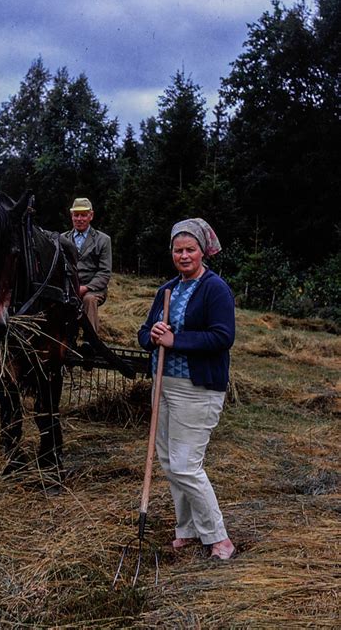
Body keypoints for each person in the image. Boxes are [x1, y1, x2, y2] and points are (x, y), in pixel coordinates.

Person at [138, 218, 236, 560]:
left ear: (202, 251)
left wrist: (175, 339)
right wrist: (152, 336)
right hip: (163, 383)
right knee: (167, 460)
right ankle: (188, 529)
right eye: (178, 250)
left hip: (197, 390)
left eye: (190, 249)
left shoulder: (215, 289)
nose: (183, 255)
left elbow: (223, 337)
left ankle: (219, 538)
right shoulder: (167, 289)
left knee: (185, 464)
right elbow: (144, 334)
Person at [61, 197, 112, 334]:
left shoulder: (103, 240)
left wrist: (85, 288)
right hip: (68, 288)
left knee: (89, 300)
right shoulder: (62, 239)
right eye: (76, 215)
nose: (79, 219)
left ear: (91, 216)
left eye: (83, 215)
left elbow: (104, 272)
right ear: (71, 216)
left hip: (93, 289)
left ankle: (90, 340)